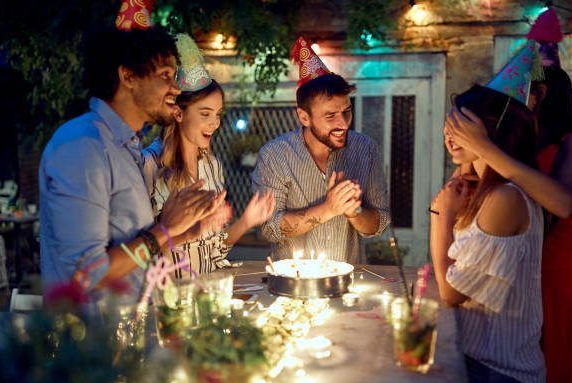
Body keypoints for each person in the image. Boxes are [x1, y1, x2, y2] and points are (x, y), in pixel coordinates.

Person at [39, 4, 224, 303]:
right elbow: (86, 274)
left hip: (130, 332)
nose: (176, 88)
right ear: (128, 76)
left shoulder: (127, 148)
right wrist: (163, 230)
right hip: (94, 341)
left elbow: (131, 249)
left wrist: (184, 230)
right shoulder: (83, 147)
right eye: (165, 75)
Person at [445, 9, 572, 383]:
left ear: (543, 96)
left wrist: (484, 147)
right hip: (524, 263)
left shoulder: (571, 142)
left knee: (557, 361)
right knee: (527, 349)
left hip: (561, 267)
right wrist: (471, 156)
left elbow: (565, 203)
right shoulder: (517, 148)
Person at [143, 34, 274, 277]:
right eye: (205, 114)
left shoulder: (212, 166)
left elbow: (213, 251)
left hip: (207, 294)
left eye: (218, 113)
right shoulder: (149, 165)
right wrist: (193, 228)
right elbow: (141, 253)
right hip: (167, 300)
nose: (215, 123)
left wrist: (245, 222)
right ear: (178, 114)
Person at [251, 37, 389, 263]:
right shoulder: (275, 155)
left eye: (347, 111)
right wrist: (329, 208)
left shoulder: (365, 149)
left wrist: (354, 213)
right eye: (330, 116)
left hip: (349, 283)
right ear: (304, 117)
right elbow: (269, 227)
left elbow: (380, 222)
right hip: (293, 285)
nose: (343, 123)